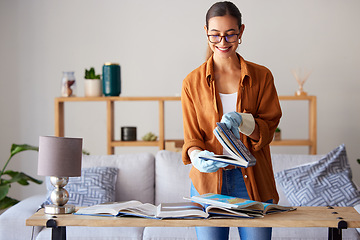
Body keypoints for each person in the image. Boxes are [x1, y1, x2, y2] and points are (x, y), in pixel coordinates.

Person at [181, 1, 282, 239]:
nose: (223, 43)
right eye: (215, 35)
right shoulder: (191, 82)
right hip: (208, 183)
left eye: (230, 34)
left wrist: (245, 122)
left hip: (253, 180)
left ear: (241, 31)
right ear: (205, 32)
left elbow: (269, 130)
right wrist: (198, 157)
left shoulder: (262, 76)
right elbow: (192, 137)